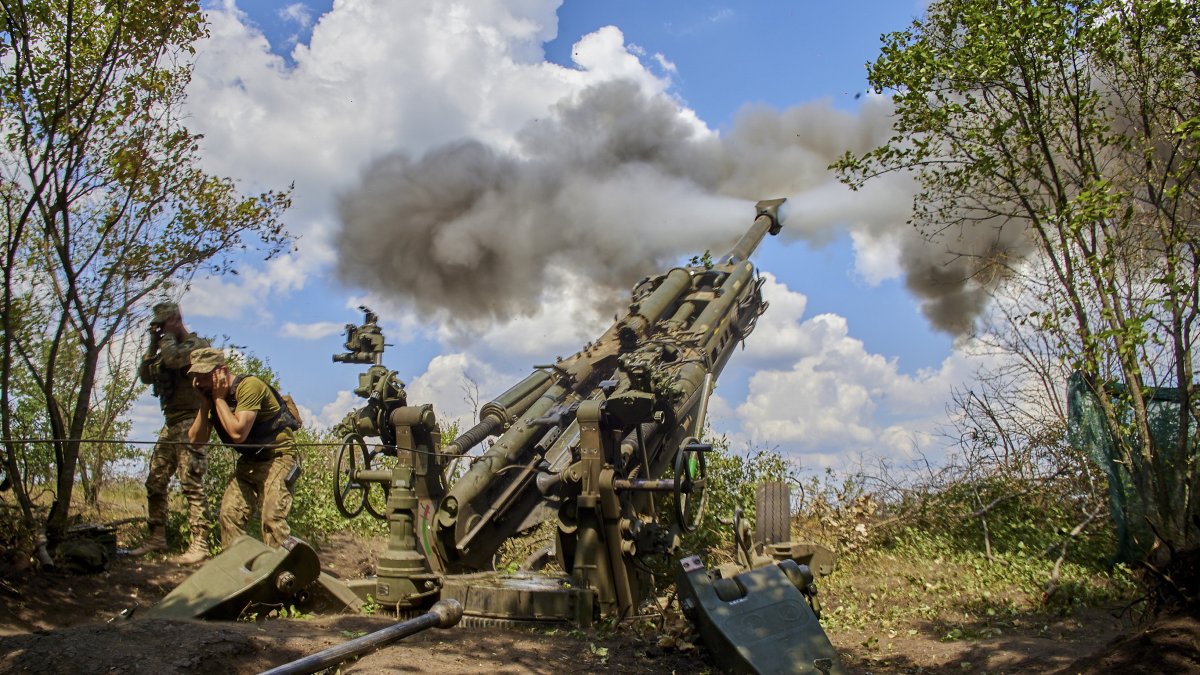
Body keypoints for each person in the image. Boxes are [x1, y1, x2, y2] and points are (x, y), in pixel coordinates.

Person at [187, 348, 301, 548]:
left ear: (222, 371)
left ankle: (283, 573)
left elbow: (238, 434)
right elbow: (196, 441)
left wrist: (219, 399)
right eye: (196, 377)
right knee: (229, 515)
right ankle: (239, 571)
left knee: (271, 520)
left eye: (204, 376)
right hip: (250, 463)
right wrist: (205, 404)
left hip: (278, 458)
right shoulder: (212, 398)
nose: (200, 382)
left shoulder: (249, 387)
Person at [130, 302, 212, 563]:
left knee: (191, 482)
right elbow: (145, 376)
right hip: (171, 423)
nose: (162, 330)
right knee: (155, 479)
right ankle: (157, 537)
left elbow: (175, 359)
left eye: (164, 324)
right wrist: (152, 345)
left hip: (192, 421)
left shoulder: (196, 345)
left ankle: (200, 544)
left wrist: (165, 339)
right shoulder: (164, 348)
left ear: (176, 320)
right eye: (160, 326)